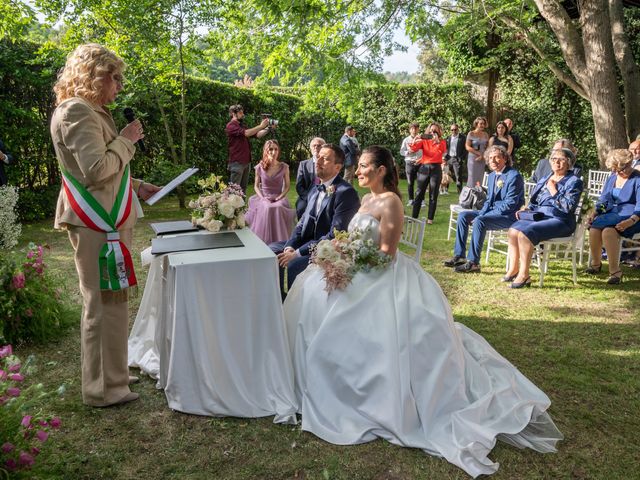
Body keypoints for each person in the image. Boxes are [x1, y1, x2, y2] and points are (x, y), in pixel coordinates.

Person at [283, 145, 562, 478]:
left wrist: (351, 262)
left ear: (382, 170)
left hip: (381, 275)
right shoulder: (365, 200)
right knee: (310, 288)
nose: (358, 171)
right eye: (358, 166)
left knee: (337, 306)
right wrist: (339, 252)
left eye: (364, 166)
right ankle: (302, 374)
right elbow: (352, 237)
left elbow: (386, 254)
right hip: (356, 265)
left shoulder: (392, 202)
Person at [50, 44, 161, 407]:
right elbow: (95, 172)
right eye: (113, 77)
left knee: (115, 299)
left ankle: (113, 376)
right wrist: (126, 141)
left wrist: (136, 185)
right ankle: (100, 389)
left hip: (109, 218)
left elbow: (105, 171)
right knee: (100, 303)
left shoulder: (90, 111)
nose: (119, 85)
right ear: (92, 75)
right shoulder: (75, 112)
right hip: (95, 222)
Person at [270, 144, 360, 298]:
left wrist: (297, 253)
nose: (317, 161)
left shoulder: (346, 193)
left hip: (327, 249)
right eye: (318, 157)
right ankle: (279, 298)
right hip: (305, 241)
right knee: (271, 250)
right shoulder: (315, 188)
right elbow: (301, 224)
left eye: (324, 159)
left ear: (338, 167)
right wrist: (290, 247)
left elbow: (334, 235)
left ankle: (295, 306)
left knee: (294, 264)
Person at [505, 148, 584, 288]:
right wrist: (528, 209)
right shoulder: (546, 178)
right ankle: (513, 269)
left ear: (570, 163)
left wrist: (554, 191)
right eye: (554, 159)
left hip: (561, 220)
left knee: (525, 234)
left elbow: (568, 207)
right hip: (540, 216)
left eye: (561, 159)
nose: (557, 162)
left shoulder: (574, 181)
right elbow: (535, 200)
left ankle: (524, 275)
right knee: (513, 231)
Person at [444, 145, 525, 273]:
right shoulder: (492, 175)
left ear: (505, 158)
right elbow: (489, 200)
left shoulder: (513, 176)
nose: (493, 161)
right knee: (463, 216)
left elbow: (510, 205)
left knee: (480, 221)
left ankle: (473, 263)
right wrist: (481, 213)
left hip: (509, 216)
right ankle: (460, 256)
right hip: (492, 212)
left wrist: (481, 217)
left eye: (497, 157)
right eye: (490, 158)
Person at [585, 149, 640, 284]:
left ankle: (615, 271)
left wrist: (631, 220)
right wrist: (596, 212)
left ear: (629, 164)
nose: (617, 173)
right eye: (614, 170)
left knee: (609, 232)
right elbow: (604, 201)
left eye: (619, 170)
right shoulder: (612, 177)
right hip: (611, 215)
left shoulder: (638, 179)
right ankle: (596, 264)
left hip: (633, 217)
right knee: (594, 229)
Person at [245, 140, 296, 244]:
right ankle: (265, 241)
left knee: (277, 207)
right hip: (264, 196)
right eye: (271, 149)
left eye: (276, 149)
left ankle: (280, 241)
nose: (273, 152)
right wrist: (262, 198)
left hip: (279, 197)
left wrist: (280, 197)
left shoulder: (284, 167)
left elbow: (287, 186)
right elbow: (256, 186)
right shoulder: (259, 167)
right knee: (267, 207)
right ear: (266, 151)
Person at [225, 104, 270, 194]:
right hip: (237, 162)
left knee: (243, 190)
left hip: (246, 162)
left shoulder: (242, 125)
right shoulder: (231, 126)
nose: (243, 114)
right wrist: (261, 126)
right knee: (234, 191)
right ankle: (232, 208)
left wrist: (268, 128)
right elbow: (246, 133)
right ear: (234, 114)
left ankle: (241, 208)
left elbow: (257, 135)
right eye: (240, 113)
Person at [409, 122, 447, 223]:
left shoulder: (442, 142)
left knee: (433, 194)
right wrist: (415, 140)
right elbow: (412, 149)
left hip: (436, 169)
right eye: (431, 130)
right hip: (424, 168)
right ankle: (414, 217)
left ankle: (430, 219)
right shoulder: (424, 141)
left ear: (439, 132)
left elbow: (442, 150)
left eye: (435, 131)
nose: (433, 132)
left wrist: (437, 141)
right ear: (428, 131)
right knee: (419, 193)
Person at [295, 137, 325, 220]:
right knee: (301, 208)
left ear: (324, 148)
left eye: (319, 145)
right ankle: (302, 230)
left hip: (325, 194)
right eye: (313, 145)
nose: (316, 147)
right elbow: (299, 186)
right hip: (307, 195)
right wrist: (308, 198)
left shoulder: (328, 163)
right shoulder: (303, 164)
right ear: (310, 148)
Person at [399, 122, 422, 206]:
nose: (414, 130)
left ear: (418, 129)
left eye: (416, 128)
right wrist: (408, 151)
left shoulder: (421, 139)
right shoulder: (406, 140)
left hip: (420, 162)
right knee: (410, 182)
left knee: (421, 182)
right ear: (410, 130)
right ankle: (411, 200)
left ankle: (421, 200)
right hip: (409, 162)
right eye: (412, 129)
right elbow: (401, 151)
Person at [465, 116, 489, 187]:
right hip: (473, 158)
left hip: (482, 158)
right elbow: (467, 146)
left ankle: (478, 196)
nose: (482, 125)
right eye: (481, 123)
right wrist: (478, 154)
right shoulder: (471, 133)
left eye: (484, 124)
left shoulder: (486, 134)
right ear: (476, 124)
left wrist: (483, 155)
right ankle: (470, 196)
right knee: (472, 177)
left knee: (480, 177)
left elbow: (487, 146)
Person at [444, 123, 467, 193]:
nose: (453, 131)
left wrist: (461, 158)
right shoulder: (448, 138)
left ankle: (459, 191)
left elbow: (465, 149)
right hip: (449, 158)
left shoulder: (463, 138)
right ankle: (445, 190)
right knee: (446, 174)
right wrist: (445, 158)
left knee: (458, 176)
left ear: (458, 129)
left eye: (455, 129)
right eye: (452, 130)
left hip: (457, 159)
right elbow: (445, 148)